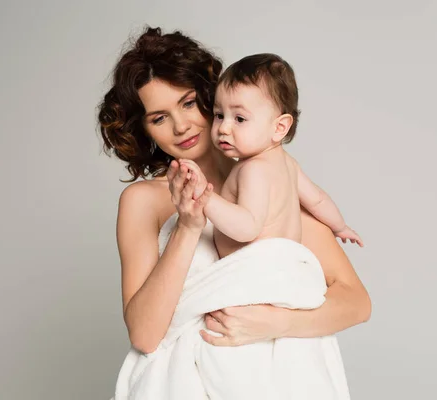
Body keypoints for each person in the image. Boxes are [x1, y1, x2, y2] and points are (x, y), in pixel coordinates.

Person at [98, 25, 370, 361]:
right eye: (159, 118)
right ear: (146, 130)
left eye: (188, 103)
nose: (180, 126)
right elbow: (144, 335)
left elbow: (356, 302)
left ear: (211, 99)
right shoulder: (144, 202)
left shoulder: (271, 179)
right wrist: (188, 224)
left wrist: (277, 323)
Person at [179, 53, 362, 261]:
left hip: (258, 271)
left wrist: (205, 196)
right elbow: (318, 200)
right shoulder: (289, 164)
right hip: (289, 264)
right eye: (219, 115)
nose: (224, 128)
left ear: (280, 127)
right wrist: (340, 226)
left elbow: (247, 228)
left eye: (239, 118)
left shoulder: (252, 169)